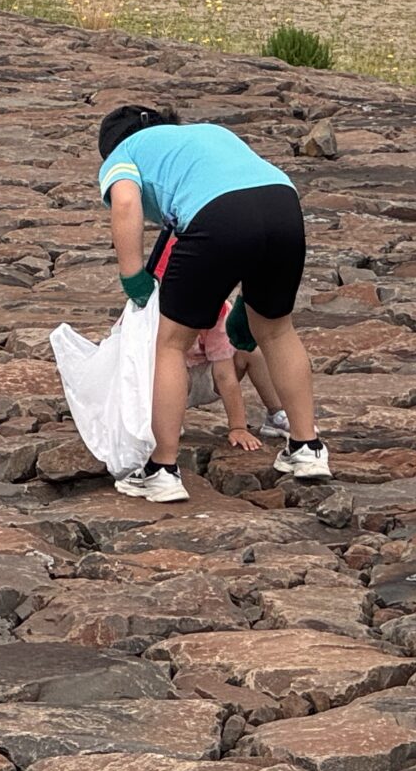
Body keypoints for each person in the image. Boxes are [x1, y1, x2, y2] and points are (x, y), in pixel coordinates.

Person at [97, 105, 328, 503]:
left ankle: (162, 469)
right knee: (276, 329)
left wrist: (132, 275)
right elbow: (246, 201)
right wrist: (247, 300)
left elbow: (125, 204)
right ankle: (307, 447)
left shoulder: (124, 153)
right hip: (283, 205)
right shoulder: (209, 132)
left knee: (171, 343)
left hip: (215, 216)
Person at [153, 238, 292, 451]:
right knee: (167, 368)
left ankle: (276, 413)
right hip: (162, 382)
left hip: (205, 376)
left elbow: (224, 374)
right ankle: (165, 421)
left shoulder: (216, 313)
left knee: (251, 352)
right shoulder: (147, 311)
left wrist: (237, 427)